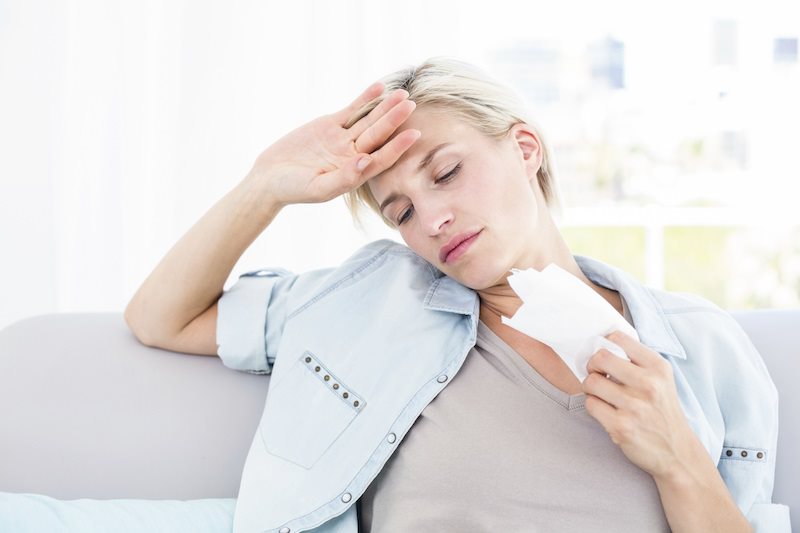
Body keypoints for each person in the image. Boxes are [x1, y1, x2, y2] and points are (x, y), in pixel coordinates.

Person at [125, 57, 790, 533]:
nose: (432, 218)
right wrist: (264, 185)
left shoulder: (700, 348)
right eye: (402, 212)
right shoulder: (372, 301)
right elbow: (158, 318)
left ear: (525, 147)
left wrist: (679, 460)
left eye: (446, 172)